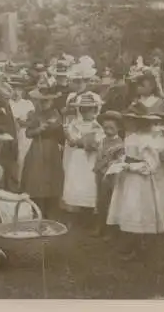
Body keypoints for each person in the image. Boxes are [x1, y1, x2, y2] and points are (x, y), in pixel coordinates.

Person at [106, 106, 164, 261]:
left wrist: (131, 166)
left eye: (131, 120)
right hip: (128, 180)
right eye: (128, 119)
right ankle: (130, 243)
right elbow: (128, 155)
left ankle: (139, 245)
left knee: (137, 210)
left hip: (140, 182)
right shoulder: (131, 137)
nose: (128, 122)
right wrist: (120, 161)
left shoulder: (147, 140)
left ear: (140, 121)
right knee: (127, 209)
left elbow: (151, 165)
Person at [62, 92, 105, 227]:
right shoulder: (74, 124)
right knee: (76, 183)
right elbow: (72, 141)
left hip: (91, 159)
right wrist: (84, 141)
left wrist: (87, 142)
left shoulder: (97, 126)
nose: (86, 113)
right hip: (78, 157)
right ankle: (77, 215)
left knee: (89, 184)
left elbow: (98, 142)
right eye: (83, 109)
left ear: (96, 110)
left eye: (90, 109)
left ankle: (89, 215)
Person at [21, 86, 65, 219]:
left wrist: (53, 127)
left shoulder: (56, 114)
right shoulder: (35, 115)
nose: (44, 104)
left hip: (51, 148)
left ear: (52, 102)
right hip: (37, 148)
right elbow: (28, 133)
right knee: (36, 177)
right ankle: (37, 210)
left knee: (51, 177)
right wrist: (38, 129)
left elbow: (59, 131)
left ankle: (50, 212)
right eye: (41, 101)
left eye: (47, 101)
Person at [91, 111, 125, 239]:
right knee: (100, 201)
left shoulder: (120, 143)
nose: (108, 131)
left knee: (111, 202)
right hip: (100, 174)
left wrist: (110, 164)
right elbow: (98, 155)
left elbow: (119, 160)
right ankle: (99, 226)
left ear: (119, 128)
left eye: (111, 128)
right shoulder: (102, 141)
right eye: (105, 128)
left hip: (111, 175)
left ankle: (111, 230)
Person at [9, 83, 35, 185]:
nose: (16, 92)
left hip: (23, 133)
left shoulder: (27, 103)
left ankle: (19, 182)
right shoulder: (8, 103)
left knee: (21, 158)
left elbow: (32, 121)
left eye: (19, 89)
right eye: (13, 89)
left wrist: (21, 123)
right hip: (10, 132)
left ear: (23, 91)